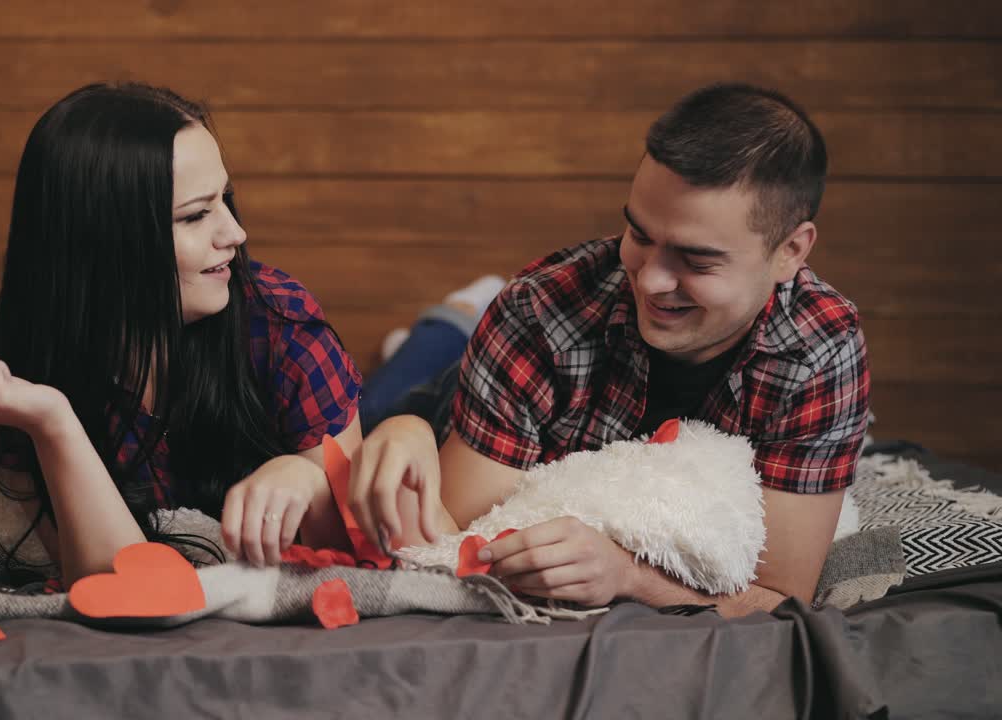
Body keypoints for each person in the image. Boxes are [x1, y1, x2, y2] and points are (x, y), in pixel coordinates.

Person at [352, 83, 871, 617]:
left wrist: (628, 575)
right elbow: (457, 542)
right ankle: (449, 324)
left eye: (695, 260)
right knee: (371, 421)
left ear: (790, 252)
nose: (649, 281)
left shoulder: (821, 349)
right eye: (639, 235)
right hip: (466, 396)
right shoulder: (539, 309)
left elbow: (781, 598)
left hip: (522, 399)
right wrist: (408, 428)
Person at [0, 83, 362, 589]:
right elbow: (106, 584)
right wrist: (53, 422)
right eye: (196, 215)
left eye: (224, 199)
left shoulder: (279, 319)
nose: (234, 233)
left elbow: (354, 546)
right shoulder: (23, 358)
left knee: (420, 392)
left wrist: (305, 476)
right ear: (104, 241)